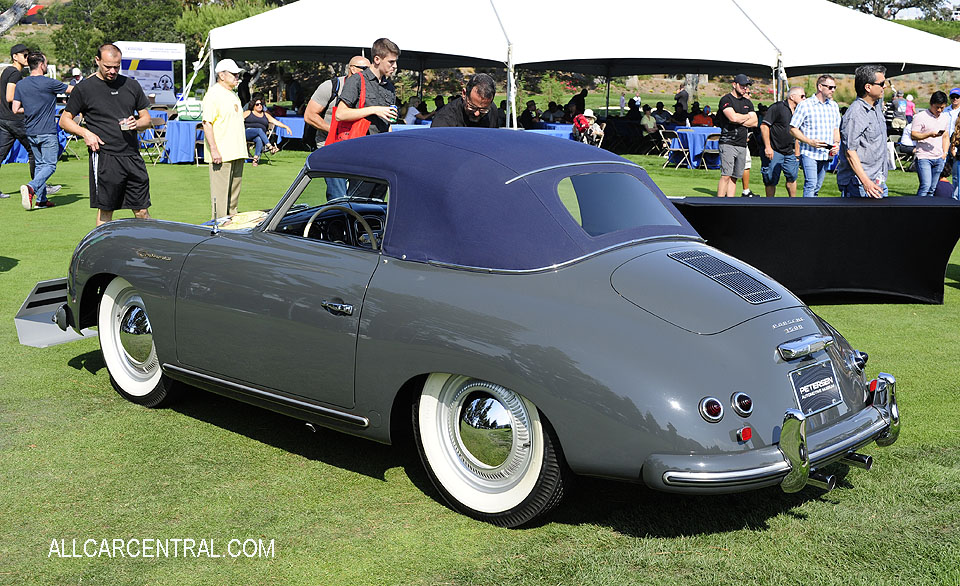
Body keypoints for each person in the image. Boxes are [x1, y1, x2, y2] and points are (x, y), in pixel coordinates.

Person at [60, 43, 153, 226]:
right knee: (107, 210)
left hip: (132, 155)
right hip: (105, 156)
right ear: (97, 61)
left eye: (116, 67)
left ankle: (148, 251)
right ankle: (100, 252)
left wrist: (137, 123)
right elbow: (64, 120)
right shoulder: (85, 88)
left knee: (141, 210)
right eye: (108, 66)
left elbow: (146, 120)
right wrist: (85, 133)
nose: (112, 71)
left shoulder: (131, 85)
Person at [12, 51, 72, 209]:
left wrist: (32, 109)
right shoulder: (49, 83)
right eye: (46, 63)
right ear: (41, 65)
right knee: (50, 165)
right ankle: (31, 187)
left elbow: (15, 109)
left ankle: (42, 200)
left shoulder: (21, 84)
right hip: (47, 131)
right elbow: (72, 90)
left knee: (40, 165)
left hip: (31, 131)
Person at [836, 65, 891, 199]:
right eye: (882, 84)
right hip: (860, 185)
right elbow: (850, 151)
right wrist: (866, 183)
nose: (884, 87)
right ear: (868, 87)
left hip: (878, 180)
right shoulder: (855, 114)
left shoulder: (876, 105)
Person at [202, 59, 248, 219]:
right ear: (221, 75)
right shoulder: (213, 95)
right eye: (234, 74)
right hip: (222, 154)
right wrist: (214, 150)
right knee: (220, 195)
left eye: (237, 74)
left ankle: (232, 220)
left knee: (234, 195)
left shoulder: (233, 95)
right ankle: (219, 224)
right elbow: (207, 123)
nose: (237, 77)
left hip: (237, 151)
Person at [335, 39, 400, 136]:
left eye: (395, 62)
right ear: (377, 59)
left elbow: (387, 123)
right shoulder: (357, 80)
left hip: (381, 144)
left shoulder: (389, 86)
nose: (395, 66)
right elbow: (340, 114)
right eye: (391, 62)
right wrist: (374, 110)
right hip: (358, 144)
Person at [789, 74, 841, 197]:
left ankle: (813, 210)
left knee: (817, 186)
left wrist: (836, 144)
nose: (833, 90)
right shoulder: (805, 105)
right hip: (809, 153)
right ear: (820, 87)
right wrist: (809, 141)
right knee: (811, 184)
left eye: (834, 87)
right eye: (830, 87)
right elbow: (792, 129)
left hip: (825, 154)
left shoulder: (834, 106)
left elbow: (835, 128)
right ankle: (807, 213)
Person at [304, 56, 370, 149]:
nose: (369, 73)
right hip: (328, 145)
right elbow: (309, 116)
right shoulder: (331, 86)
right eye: (365, 69)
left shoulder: (370, 90)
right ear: (353, 69)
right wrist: (333, 130)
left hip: (358, 146)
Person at [0, 43, 34, 199]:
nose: (28, 58)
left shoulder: (7, 71)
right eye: (25, 55)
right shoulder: (15, 73)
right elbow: (9, 97)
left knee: (0, 155)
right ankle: (38, 186)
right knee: (35, 150)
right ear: (15, 57)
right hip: (15, 120)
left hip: (4, 119)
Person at [716, 74, 757, 198]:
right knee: (726, 175)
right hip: (728, 142)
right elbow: (732, 117)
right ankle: (719, 202)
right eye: (742, 85)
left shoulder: (747, 102)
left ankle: (730, 202)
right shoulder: (726, 100)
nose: (745, 88)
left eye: (746, 86)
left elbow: (754, 122)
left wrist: (739, 118)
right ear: (734, 85)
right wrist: (746, 117)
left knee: (735, 177)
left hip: (742, 144)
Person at [759, 86, 804, 197]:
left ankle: (792, 203)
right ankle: (770, 205)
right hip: (775, 150)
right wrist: (768, 147)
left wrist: (797, 153)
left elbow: (798, 132)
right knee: (770, 179)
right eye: (802, 96)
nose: (805, 98)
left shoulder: (800, 111)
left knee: (792, 177)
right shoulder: (777, 107)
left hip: (791, 152)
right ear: (792, 97)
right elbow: (764, 126)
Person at [910, 91, 950, 197]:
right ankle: (918, 209)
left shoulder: (945, 117)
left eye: (942, 108)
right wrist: (929, 135)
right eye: (937, 107)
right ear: (931, 104)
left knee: (932, 188)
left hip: (939, 157)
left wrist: (945, 153)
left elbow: (946, 136)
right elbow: (913, 135)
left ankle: (929, 211)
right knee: (925, 186)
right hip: (924, 157)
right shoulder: (920, 116)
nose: (939, 110)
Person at [431, 73, 500, 128]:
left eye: (483, 110)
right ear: (464, 94)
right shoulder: (444, 120)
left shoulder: (492, 110)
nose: (477, 113)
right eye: (472, 107)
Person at [244, 93, 292, 166]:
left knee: (259, 139)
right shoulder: (248, 113)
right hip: (247, 133)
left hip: (259, 135)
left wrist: (286, 127)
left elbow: (275, 122)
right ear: (253, 106)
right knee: (259, 130)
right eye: (257, 104)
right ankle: (269, 146)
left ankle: (255, 159)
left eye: (261, 104)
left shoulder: (265, 115)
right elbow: (237, 120)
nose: (260, 106)